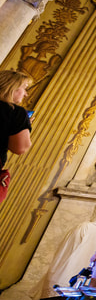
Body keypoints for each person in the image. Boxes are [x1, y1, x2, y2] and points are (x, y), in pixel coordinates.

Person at [0, 70, 32, 203]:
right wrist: (25, 125)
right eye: (24, 88)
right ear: (12, 87)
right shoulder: (15, 112)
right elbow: (20, 148)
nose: (26, 94)